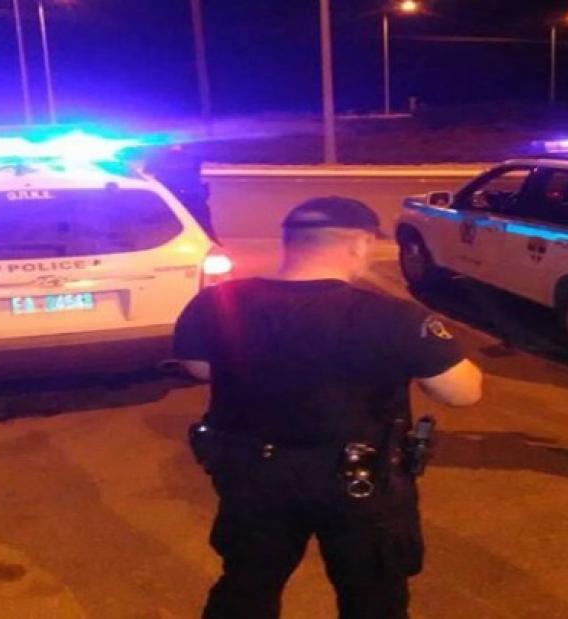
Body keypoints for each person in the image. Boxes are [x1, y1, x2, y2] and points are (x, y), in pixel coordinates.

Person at [172, 196, 483, 619]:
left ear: (290, 242)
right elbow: (462, 393)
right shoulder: (394, 317)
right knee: (373, 597)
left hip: (253, 475)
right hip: (358, 483)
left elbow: (200, 369)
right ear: (358, 244)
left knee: (247, 585)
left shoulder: (217, 303)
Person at [145, 144, 218, 240]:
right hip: (184, 193)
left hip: (183, 193)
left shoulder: (160, 152)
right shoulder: (191, 150)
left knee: (199, 222)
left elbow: (149, 169)